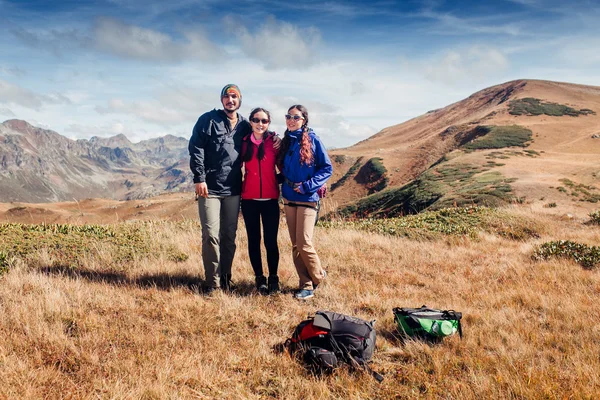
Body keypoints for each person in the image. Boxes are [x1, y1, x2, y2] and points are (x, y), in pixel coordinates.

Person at [188, 84, 250, 293]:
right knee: (211, 235)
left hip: (233, 188)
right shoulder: (207, 120)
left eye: (234, 96)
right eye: (226, 96)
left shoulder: (245, 125)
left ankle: (225, 278)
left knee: (229, 237)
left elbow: (258, 143)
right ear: (221, 99)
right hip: (209, 188)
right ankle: (212, 283)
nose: (230, 100)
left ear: (240, 100)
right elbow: (195, 148)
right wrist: (199, 177)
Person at [279, 105, 332, 300]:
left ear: (304, 120)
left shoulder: (313, 139)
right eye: (288, 116)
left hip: (307, 198)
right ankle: (306, 284)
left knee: (304, 242)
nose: (291, 120)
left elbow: (327, 168)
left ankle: (318, 277)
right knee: (295, 245)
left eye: (296, 117)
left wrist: (308, 185)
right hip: (288, 197)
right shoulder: (287, 141)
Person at [240, 107, 281, 294]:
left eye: (264, 121)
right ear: (251, 122)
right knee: (253, 240)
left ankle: (273, 278)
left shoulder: (274, 143)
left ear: (268, 123)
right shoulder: (243, 143)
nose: (260, 124)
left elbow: (285, 167)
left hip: (271, 199)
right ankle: (259, 278)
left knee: (271, 241)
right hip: (249, 200)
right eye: (256, 120)